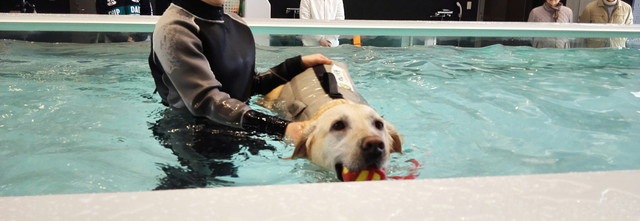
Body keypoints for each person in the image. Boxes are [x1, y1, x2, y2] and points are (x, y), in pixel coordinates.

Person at [148, 0, 332, 146]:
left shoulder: (236, 23)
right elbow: (205, 101)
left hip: (238, 131)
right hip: (191, 143)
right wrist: (281, 129)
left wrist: (295, 65)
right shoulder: (174, 29)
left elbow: (248, 85)